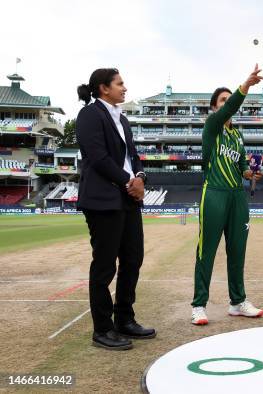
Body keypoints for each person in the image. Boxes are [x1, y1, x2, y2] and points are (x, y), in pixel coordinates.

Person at [76, 68, 155, 350]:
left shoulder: (122, 118)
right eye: (120, 83)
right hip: (102, 199)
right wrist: (128, 181)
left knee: (133, 259)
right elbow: (97, 157)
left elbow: (134, 156)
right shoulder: (89, 115)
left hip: (128, 198)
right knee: (105, 265)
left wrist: (141, 178)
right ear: (103, 88)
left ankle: (125, 320)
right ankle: (102, 329)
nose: (125, 88)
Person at [191, 65, 263, 326]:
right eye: (222, 101)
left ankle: (237, 302)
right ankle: (199, 305)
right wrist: (244, 85)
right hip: (214, 193)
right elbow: (230, 107)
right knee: (207, 252)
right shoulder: (212, 125)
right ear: (215, 108)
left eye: (228, 100)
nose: (227, 105)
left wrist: (251, 174)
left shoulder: (238, 136)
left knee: (237, 251)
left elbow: (242, 167)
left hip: (237, 196)